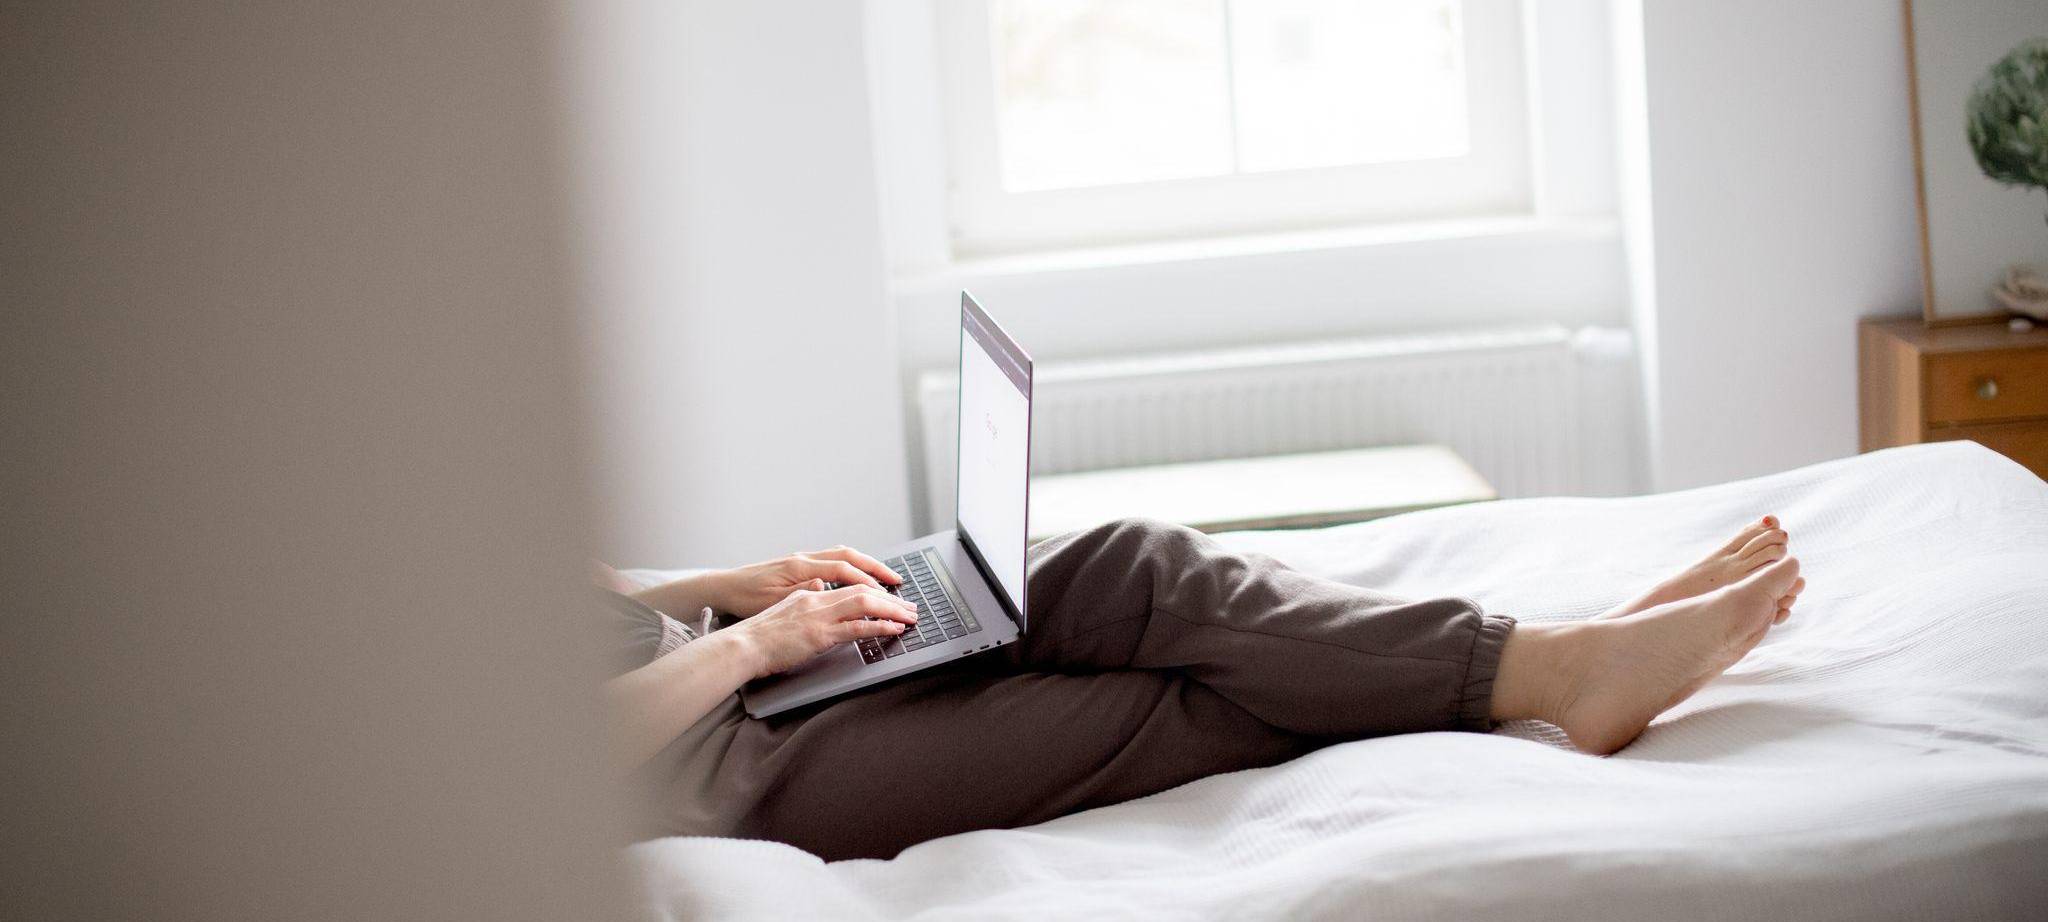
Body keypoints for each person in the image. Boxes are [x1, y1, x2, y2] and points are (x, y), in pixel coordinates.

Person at [601, 515, 1803, 861]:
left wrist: (731, 585)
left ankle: (1560, 651)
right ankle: (1559, 668)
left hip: (733, 651)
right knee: (1166, 711)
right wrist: (754, 646)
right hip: (727, 771)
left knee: (1135, 562)